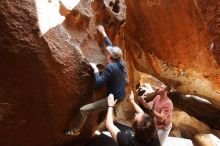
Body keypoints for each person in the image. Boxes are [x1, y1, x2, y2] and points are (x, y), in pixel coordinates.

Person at [65, 25, 128, 136]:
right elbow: (111, 46)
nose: (106, 53)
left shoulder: (110, 67)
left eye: (108, 53)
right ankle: (111, 109)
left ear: (110, 57)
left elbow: (98, 83)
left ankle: (76, 131)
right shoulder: (120, 61)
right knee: (110, 99)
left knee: (83, 110)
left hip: (114, 99)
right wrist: (103, 33)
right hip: (122, 95)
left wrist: (95, 70)